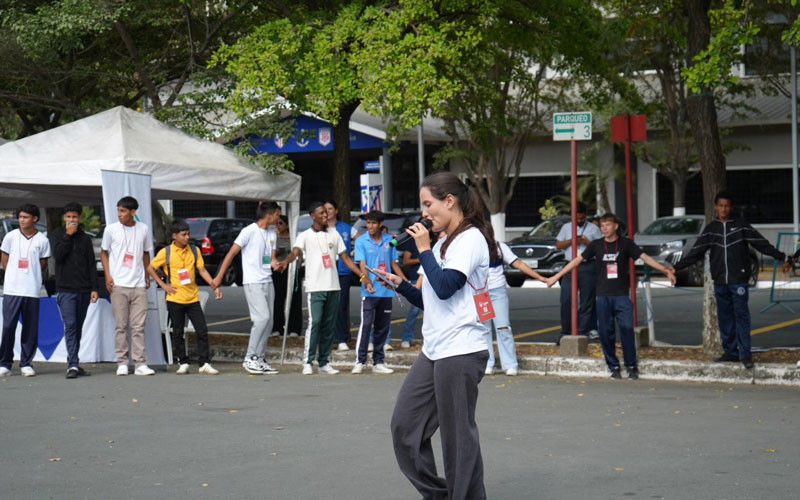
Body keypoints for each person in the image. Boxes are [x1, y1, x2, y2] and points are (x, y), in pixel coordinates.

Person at [374, 172, 495, 500]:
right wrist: (399, 284)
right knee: (405, 429)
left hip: (461, 350)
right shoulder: (441, 243)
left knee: (458, 440)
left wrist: (424, 248)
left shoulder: (470, 240)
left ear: (450, 202)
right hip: (436, 349)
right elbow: (429, 298)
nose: (424, 213)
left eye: (429, 204)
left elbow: (445, 288)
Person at [667, 192, 791, 369]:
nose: (724, 209)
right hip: (720, 282)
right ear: (715, 207)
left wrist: (781, 257)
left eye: (727, 206)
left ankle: (746, 354)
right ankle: (731, 353)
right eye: (720, 206)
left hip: (738, 281)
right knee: (725, 319)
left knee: (741, 317)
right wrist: (676, 267)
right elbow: (696, 252)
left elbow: (761, 243)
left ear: (731, 207)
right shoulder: (711, 229)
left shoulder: (741, 226)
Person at [547, 213, 677, 379]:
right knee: (605, 332)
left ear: (615, 226)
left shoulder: (626, 244)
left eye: (608, 225)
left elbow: (645, 258)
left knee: (627, 330)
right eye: (602, 226)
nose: (605, 228)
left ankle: (631, 365)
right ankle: (613, 365)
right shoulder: (596, 245)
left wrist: (664, 270)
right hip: (603, 296)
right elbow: (576, 261)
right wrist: (556, 277)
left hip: (621, 296)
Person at [279, 202, 364, 375]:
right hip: (315, 287)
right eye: (322, 213)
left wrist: (362, 275)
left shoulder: (335, 235)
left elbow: (346, 258)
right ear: (313, 216)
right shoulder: (305, 236)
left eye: (327, 212)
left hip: (334, 286)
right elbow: (295, 252)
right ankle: (308, 362)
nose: (326, 215)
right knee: (315, 322)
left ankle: (324, 362)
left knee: (329, 325)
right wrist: (286, 262)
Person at [213, 201, 282, 375]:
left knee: (269, 321)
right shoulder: (249, 231)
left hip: (267, 280)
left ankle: (260, 358)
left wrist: (275, 264)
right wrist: (219, 277)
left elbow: (270, 257)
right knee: (261, 318)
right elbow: (231, 254)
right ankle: (250, 357)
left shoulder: (273, 233)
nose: (279, 219)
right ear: (269, 215)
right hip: (252, 281)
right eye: (277, 215)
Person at [147, 219, 222, 375]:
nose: (187, 237)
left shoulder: (194, 250)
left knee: (202, 330)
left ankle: (204, 363)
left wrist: (214, 286)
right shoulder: (166, 252)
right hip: (175, 298)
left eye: (188, 234)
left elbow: (202, 270)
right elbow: (150, 268)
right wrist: (163, 285)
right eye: (184, 235)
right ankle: (183, 362)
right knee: (178, 332)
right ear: (175, 236)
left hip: (192, 297)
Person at [101, 196, 156, 376]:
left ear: (133, 212)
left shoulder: (143, 229)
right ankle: (122, 362)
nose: (120, 214)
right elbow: (104, 253)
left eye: (123, 211)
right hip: (119, 284)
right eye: (118, 210)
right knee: (121, 325)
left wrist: (147, 275)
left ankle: (140, 363)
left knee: (139, 326)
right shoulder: (111, 230)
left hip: (139, 284)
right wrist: (108, 275)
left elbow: (146, 253)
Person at [352, 211, 406, 374]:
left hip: (386, 290)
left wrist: (404, 281)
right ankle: (360, 361)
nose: (370, 227)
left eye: (373, 223)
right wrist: (366, 281)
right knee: (366, 325)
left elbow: (393, 263)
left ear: (381, 224)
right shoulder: (362, 240)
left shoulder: (390, 241)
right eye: (368, 223)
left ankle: (378, 362)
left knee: (383, 327)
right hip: (369, 290)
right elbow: (362, 264)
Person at [0, 204, 50, 377]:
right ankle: (5, 363)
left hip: (32, 290)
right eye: (20, 217)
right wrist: (14, 275)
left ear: (35, 219)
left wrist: (30, 276)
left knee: (30, 328)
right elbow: (5, 260)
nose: (22, 220)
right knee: (8, 326)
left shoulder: (42, 240)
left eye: (25, 217)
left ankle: (26, 363)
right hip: (12, 289)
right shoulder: (11, 237)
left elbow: (43, 264)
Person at [484, 240, 547, 376]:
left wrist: (539, 277)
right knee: (484, 329)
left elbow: (517, 263)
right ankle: (488, 363)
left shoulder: (500, 247)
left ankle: (510, 364)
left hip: (497, 291)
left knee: (503, 328)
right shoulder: (473, 246)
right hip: (481, 293)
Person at [52, 202, 99, 379]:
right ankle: (72, 364)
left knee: (78, 327)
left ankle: (75, 362)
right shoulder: (57, 234)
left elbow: (91, 264)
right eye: (68, 217)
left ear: (79, 218)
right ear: (65, 218)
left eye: (74, 217)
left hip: (84, 290)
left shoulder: (86, 239)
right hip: (65, 290)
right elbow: (58, 255)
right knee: (70, 325)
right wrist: (67, 236)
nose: (71, 220)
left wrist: (94, 288)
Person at [555, 202, 603, 341]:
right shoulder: (566, 228)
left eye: (582, 218)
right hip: (570, 265)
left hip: (587, 266)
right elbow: (558, 245)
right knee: (566, 299)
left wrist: (588, 242)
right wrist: (572, 241)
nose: (580, 221)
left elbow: (600, 247)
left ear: (586, 216)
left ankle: (583, 332)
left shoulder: (594, 228)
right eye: (577, 218)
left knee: (587, 301)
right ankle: (566, 331)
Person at [324, 200, 360, 352]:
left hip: (343, 271)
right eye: (325, 209)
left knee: (341, 305)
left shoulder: (345, 228)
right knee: (326, 305)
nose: (328, 211)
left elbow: (361, 238)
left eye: (330, 208)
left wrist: (355, 252)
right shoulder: (321, 229)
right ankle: (328, 338)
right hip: (325, 271)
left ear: (336, 211)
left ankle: (342, 338)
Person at [272, 215, 302, 337]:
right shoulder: (274, 237)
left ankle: (294, 328)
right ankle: (277, 327)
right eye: (277, 223)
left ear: (287, 225)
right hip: (278, 269)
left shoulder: (295, 238)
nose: (278, 226)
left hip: (292, 269)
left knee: (294, 299)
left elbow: (299, 253)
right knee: (277, 299)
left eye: (281, 223)